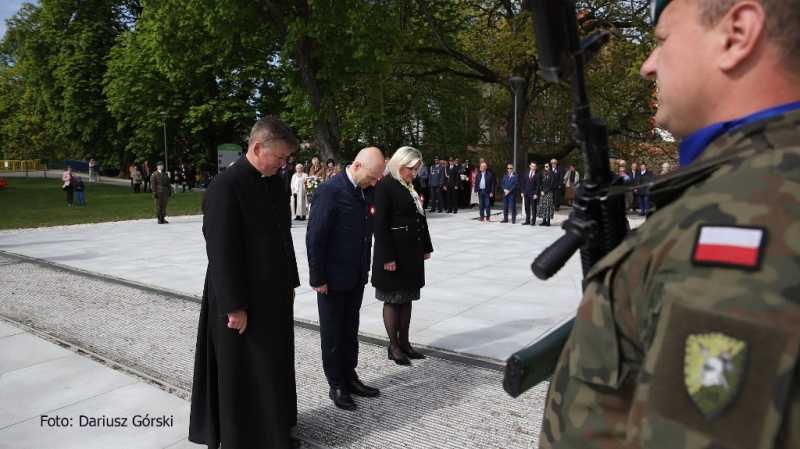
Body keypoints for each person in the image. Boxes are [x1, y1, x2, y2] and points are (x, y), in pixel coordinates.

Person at [539, 0, 800, 447]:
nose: (648, 65)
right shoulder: (753, 184)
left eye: (662, 40)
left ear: (737, 34)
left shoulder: (739, 224)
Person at [189, 117, 302, 449]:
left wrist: (289, 282)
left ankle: (274, 429)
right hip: (243, 299)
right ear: (257, 148)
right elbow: (221, 252)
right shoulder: (225, 187)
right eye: (280, 157)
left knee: (272, 364)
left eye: (286, 160)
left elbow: (284, 239)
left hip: (273, 294)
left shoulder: (272, 181)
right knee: (247, 369)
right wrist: (233, 305)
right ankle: (248, 438)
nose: (284, 165)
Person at [306, 147, 386, 411]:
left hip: (356, 274)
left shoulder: (367, 190)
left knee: (350, 330)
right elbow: (315, 238)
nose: (375, 182)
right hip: (331, 278)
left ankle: (350, 377)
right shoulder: (331, 191)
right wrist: (317, 277)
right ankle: (336, 385)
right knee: (332, 334)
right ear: (356, 165)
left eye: (377, 178)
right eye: (372, 176)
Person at [371, 146, 433, 366]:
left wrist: (426, 246)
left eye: (416, 169)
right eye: (410, 168)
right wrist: (387, 257)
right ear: (399, 164)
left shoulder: (409, 187)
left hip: (410, 254)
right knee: (392, 300)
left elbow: (420, 218)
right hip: (393, 255)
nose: (413, 173)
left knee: (406, 299)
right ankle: (393, 346)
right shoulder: (385, 186)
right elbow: (380, 224)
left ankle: (405, 342)